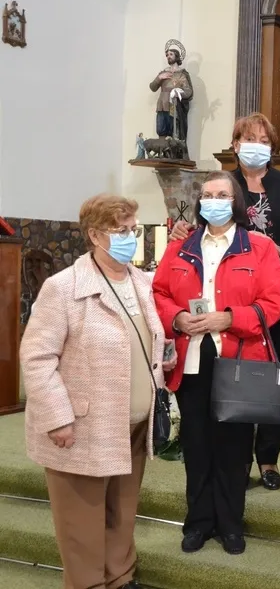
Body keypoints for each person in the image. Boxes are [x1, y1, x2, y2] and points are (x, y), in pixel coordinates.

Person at [21, 194, 177, 589]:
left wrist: (163, 356)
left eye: (132, 229)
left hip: (134, 423)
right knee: (81, 520)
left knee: (121, 511)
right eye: (119, 231)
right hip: (82, 426)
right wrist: (58, 418)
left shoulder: (141, 281)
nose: (129, 237)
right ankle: (89, 584)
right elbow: (37, 358)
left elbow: (143, 339)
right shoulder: (64, 287)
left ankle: (121, 578)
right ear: (94, 234)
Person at [169, 112, 280, 492]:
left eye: (263, 139)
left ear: (272, 146)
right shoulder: (220, 185)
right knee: (215, 382)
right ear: (235, 144)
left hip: (271, 300)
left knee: (263, 380)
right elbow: (193, 228)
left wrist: (260, 252)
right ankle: (229, 457)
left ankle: (267, 457)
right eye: (247, 138)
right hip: (219, 301)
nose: (255, 145)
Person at [153, 171, 280, 555]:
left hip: (238, 357)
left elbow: (274, 304)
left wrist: (230, 318)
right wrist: (177, 318)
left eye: (223, 194)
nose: (214, 200)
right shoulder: (181, 247)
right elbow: (159, 292)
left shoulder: (259, 248)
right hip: (192, 357)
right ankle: (198, 522)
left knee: (233, 448)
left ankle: (230, 524)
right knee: (196, 446)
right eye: (208, 194)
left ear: (236, 201)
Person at [149, 39, 193, 142]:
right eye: (167, 55)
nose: (168, 56)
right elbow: (152, 87)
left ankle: (172, 153)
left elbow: (189, 91)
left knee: (173, 130)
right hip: (161, 105)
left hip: (173, 106)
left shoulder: (182, 74)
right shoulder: (163, 73)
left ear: (176, 57)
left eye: (171, 54)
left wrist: (178, 92)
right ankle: (162, 150)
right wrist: (159, 78)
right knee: (161, 128)